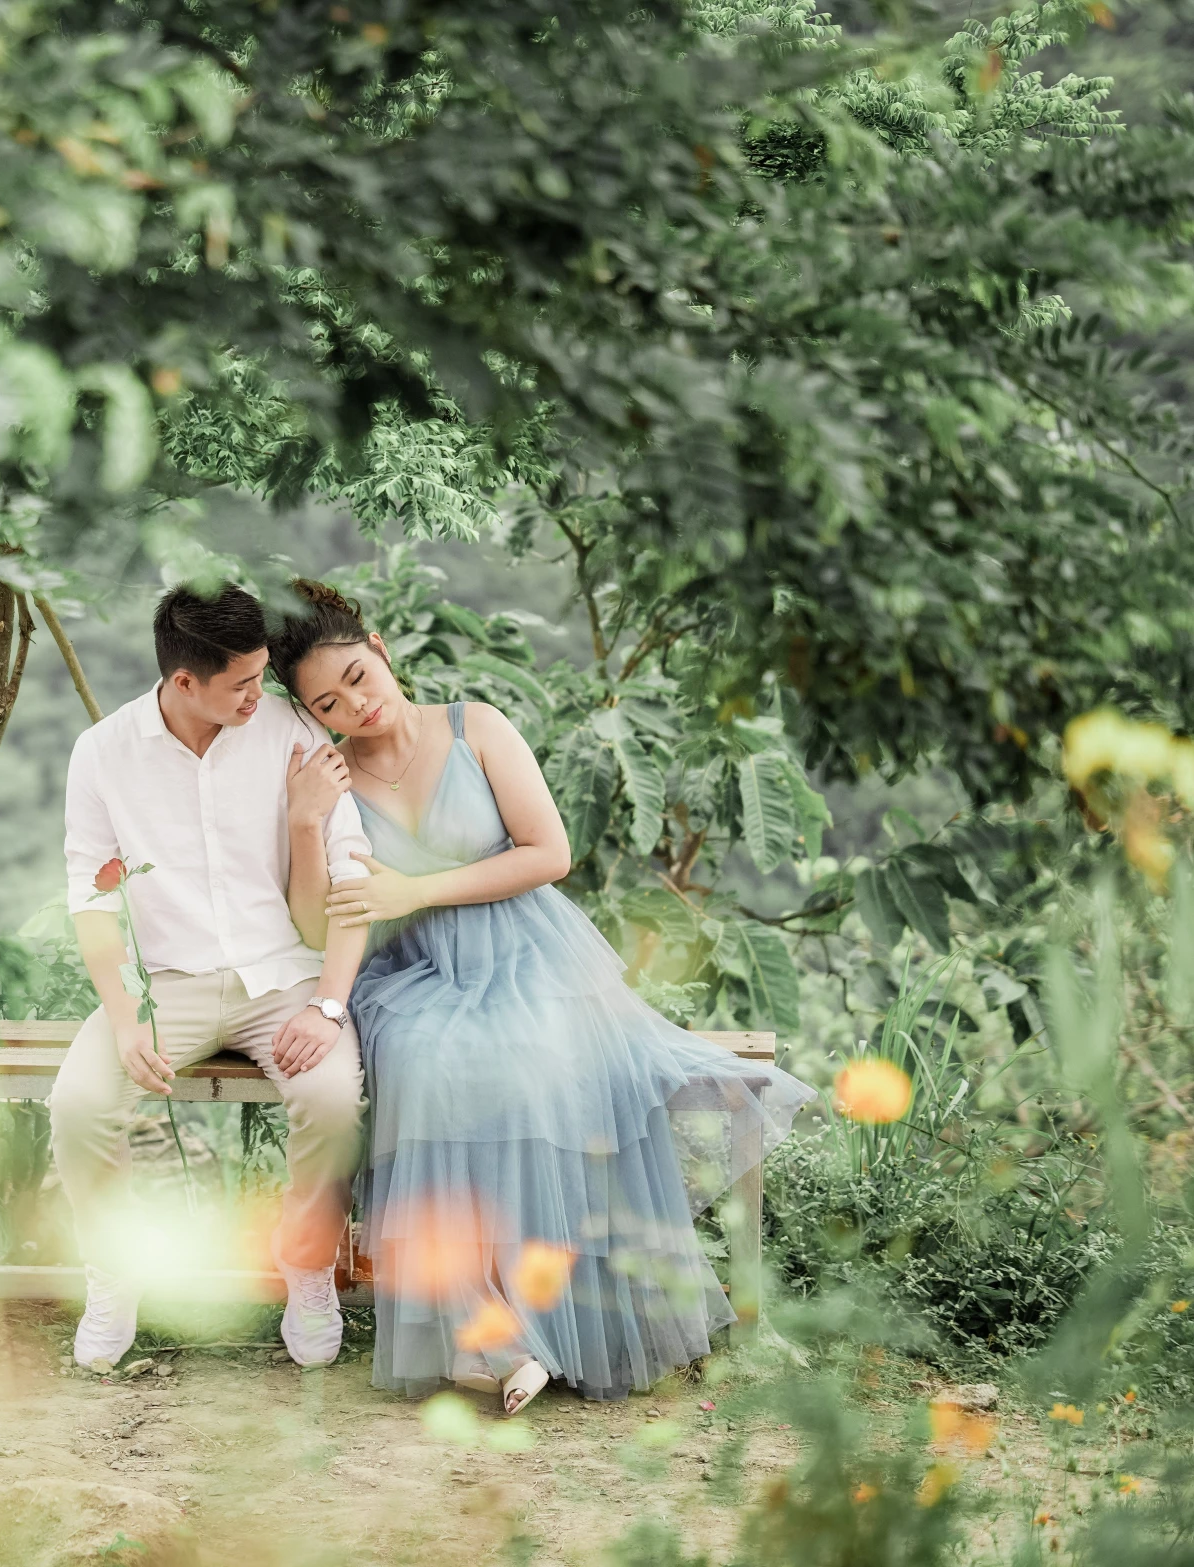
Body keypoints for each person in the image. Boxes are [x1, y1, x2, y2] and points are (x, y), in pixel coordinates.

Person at [267, 579, 813, 1413]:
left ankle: (544, 1315)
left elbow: (548, 850)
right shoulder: (330, 780)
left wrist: (417, 888)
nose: (355, 705)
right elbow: (316, 921)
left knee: (527, 1059)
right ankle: (485, 1328)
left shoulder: (473, 725)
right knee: (425, 1061)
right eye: (327, 702)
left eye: (357, 676)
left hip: (526, 949)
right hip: (417, 972)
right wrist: (308, 822)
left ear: (378, 648)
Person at [51, 583, 373, 1370]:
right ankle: (113, 1271)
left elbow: (350, 869)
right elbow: (91, 900)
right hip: (169, 984)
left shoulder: (291, 727)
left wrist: (329, 1005)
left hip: (287, 983)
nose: (259, 694)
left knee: (332, 1099)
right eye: (242, 683)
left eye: (263, 675)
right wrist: (126, 1020)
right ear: (184, 681)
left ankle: (306, 1266)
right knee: (80, 1101)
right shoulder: (104, 752)